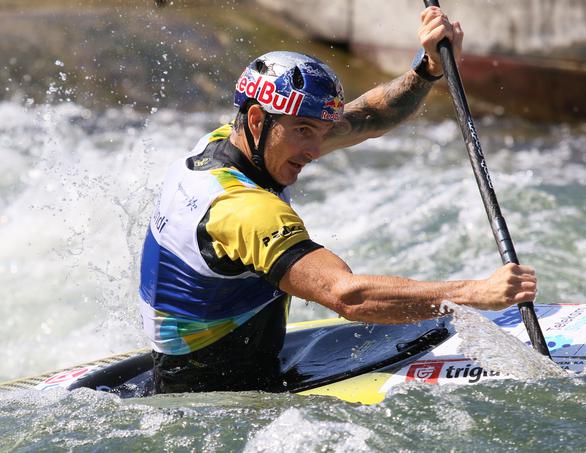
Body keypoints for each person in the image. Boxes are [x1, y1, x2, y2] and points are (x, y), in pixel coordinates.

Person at [139, 6, 537, 394]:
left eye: (321, 131)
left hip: (185, 370)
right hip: (220, 400)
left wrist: (427, 69)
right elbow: (348, 295)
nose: (315, 150)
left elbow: (368, 117)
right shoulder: (244, 210)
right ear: (259, 121)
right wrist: (474, 295)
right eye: (303, 131)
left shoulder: (223, 144)